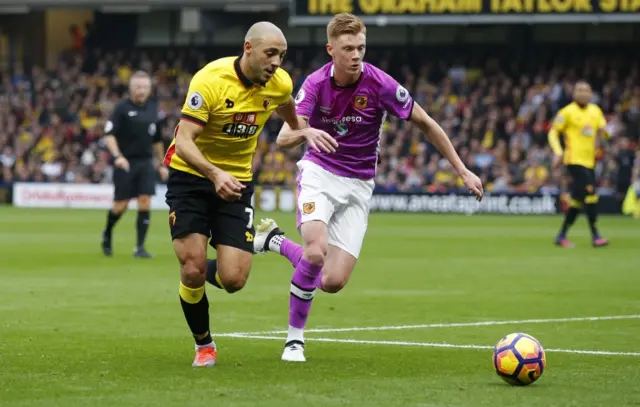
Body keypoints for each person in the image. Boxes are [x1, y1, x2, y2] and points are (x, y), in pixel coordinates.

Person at [252, 13, 484, 363]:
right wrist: (306, 132)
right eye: (348, 48)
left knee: (331, 281)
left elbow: (425, 123)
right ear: (331, 49)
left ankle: (276, 242)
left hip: (359, 185)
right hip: (320, 173)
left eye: (361, 47)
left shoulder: (381, 84)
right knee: (315, 252)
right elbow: (284, 136)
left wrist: (462, 169)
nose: (356, 54)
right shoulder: (314, 85)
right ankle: (294, 340)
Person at [164, 21, 334, 367]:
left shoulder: (279, 83)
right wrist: (214, 173)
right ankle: (204, 345)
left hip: (237, 183)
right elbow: (183, 142)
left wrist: (305, 130)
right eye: (271, 53)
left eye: (282, 55)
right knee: (194, 269)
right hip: (192, 177)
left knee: (234, 280)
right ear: (248, 49)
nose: (276, 61)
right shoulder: (209, 81)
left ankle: (223, 255)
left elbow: (289, 109)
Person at [101, 71, 168, 258]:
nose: (141, 91)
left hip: (145, 162)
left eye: (144, 87)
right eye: (137, 87)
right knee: (120, 205)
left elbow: (157, 139)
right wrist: (117, 156)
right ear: (131, 89)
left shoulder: (153, 108)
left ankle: (140, 247)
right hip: (126, 163)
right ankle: (107, 232)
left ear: (149, 90)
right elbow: (109, 135)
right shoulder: (121, 109)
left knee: (145, 201)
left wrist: (162, 164)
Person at [548, 81, 610, 248]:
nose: (583, 93)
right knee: (591, 193)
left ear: (591, 94)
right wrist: (558, 152)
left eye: (586, 90)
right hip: (574, 160)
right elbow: (553, 132)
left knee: (577, 200)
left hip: (590, 162)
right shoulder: (567, 112)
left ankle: (561, 236)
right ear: (574, 94)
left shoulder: (595, 111)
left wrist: (606, 136)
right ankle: (596, 236)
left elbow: (604, 132)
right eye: (579, 90)